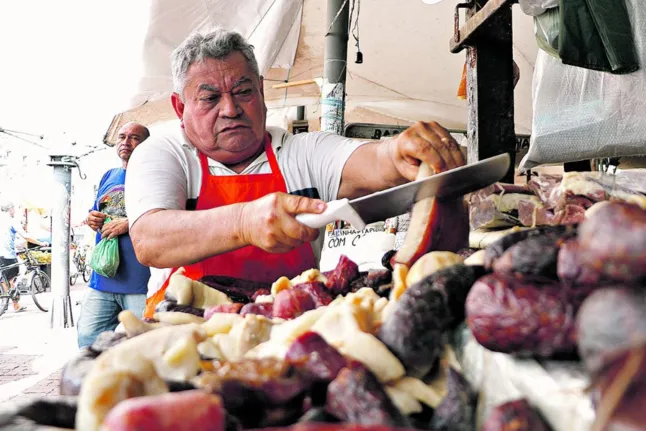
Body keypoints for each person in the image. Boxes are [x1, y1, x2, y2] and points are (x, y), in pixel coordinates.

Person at [125, 29, 466, 317]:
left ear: (261, 90)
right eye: (210, 98)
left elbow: (373, 163)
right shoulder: (163, 154)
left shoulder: (302, 152)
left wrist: (398, 151)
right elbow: (150, 240)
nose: (230, 109)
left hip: (288, 326)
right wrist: (244, 222)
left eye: (243, 91)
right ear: (180, 107)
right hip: (186, 328)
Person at [78, 122, 152, 348]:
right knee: (88, 339)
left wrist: (129, 224)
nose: (126, 142)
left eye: (134, 138)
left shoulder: (155, 176)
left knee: (145, 346)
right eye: (122, 137)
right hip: (103, 279)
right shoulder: (109, 176)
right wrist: (93, 219)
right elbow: (98, 211)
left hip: (141, 282)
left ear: (147, 145)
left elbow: (169, 216)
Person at [0, 202, 46, 312]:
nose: (15, 211)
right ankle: (13, 304)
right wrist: (40, 243)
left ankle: (8, 303)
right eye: (14, 209)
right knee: (12, 278)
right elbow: (25, 236)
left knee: (3, 279)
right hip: (7, 255)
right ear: (10, 209)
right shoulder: (11, 222)